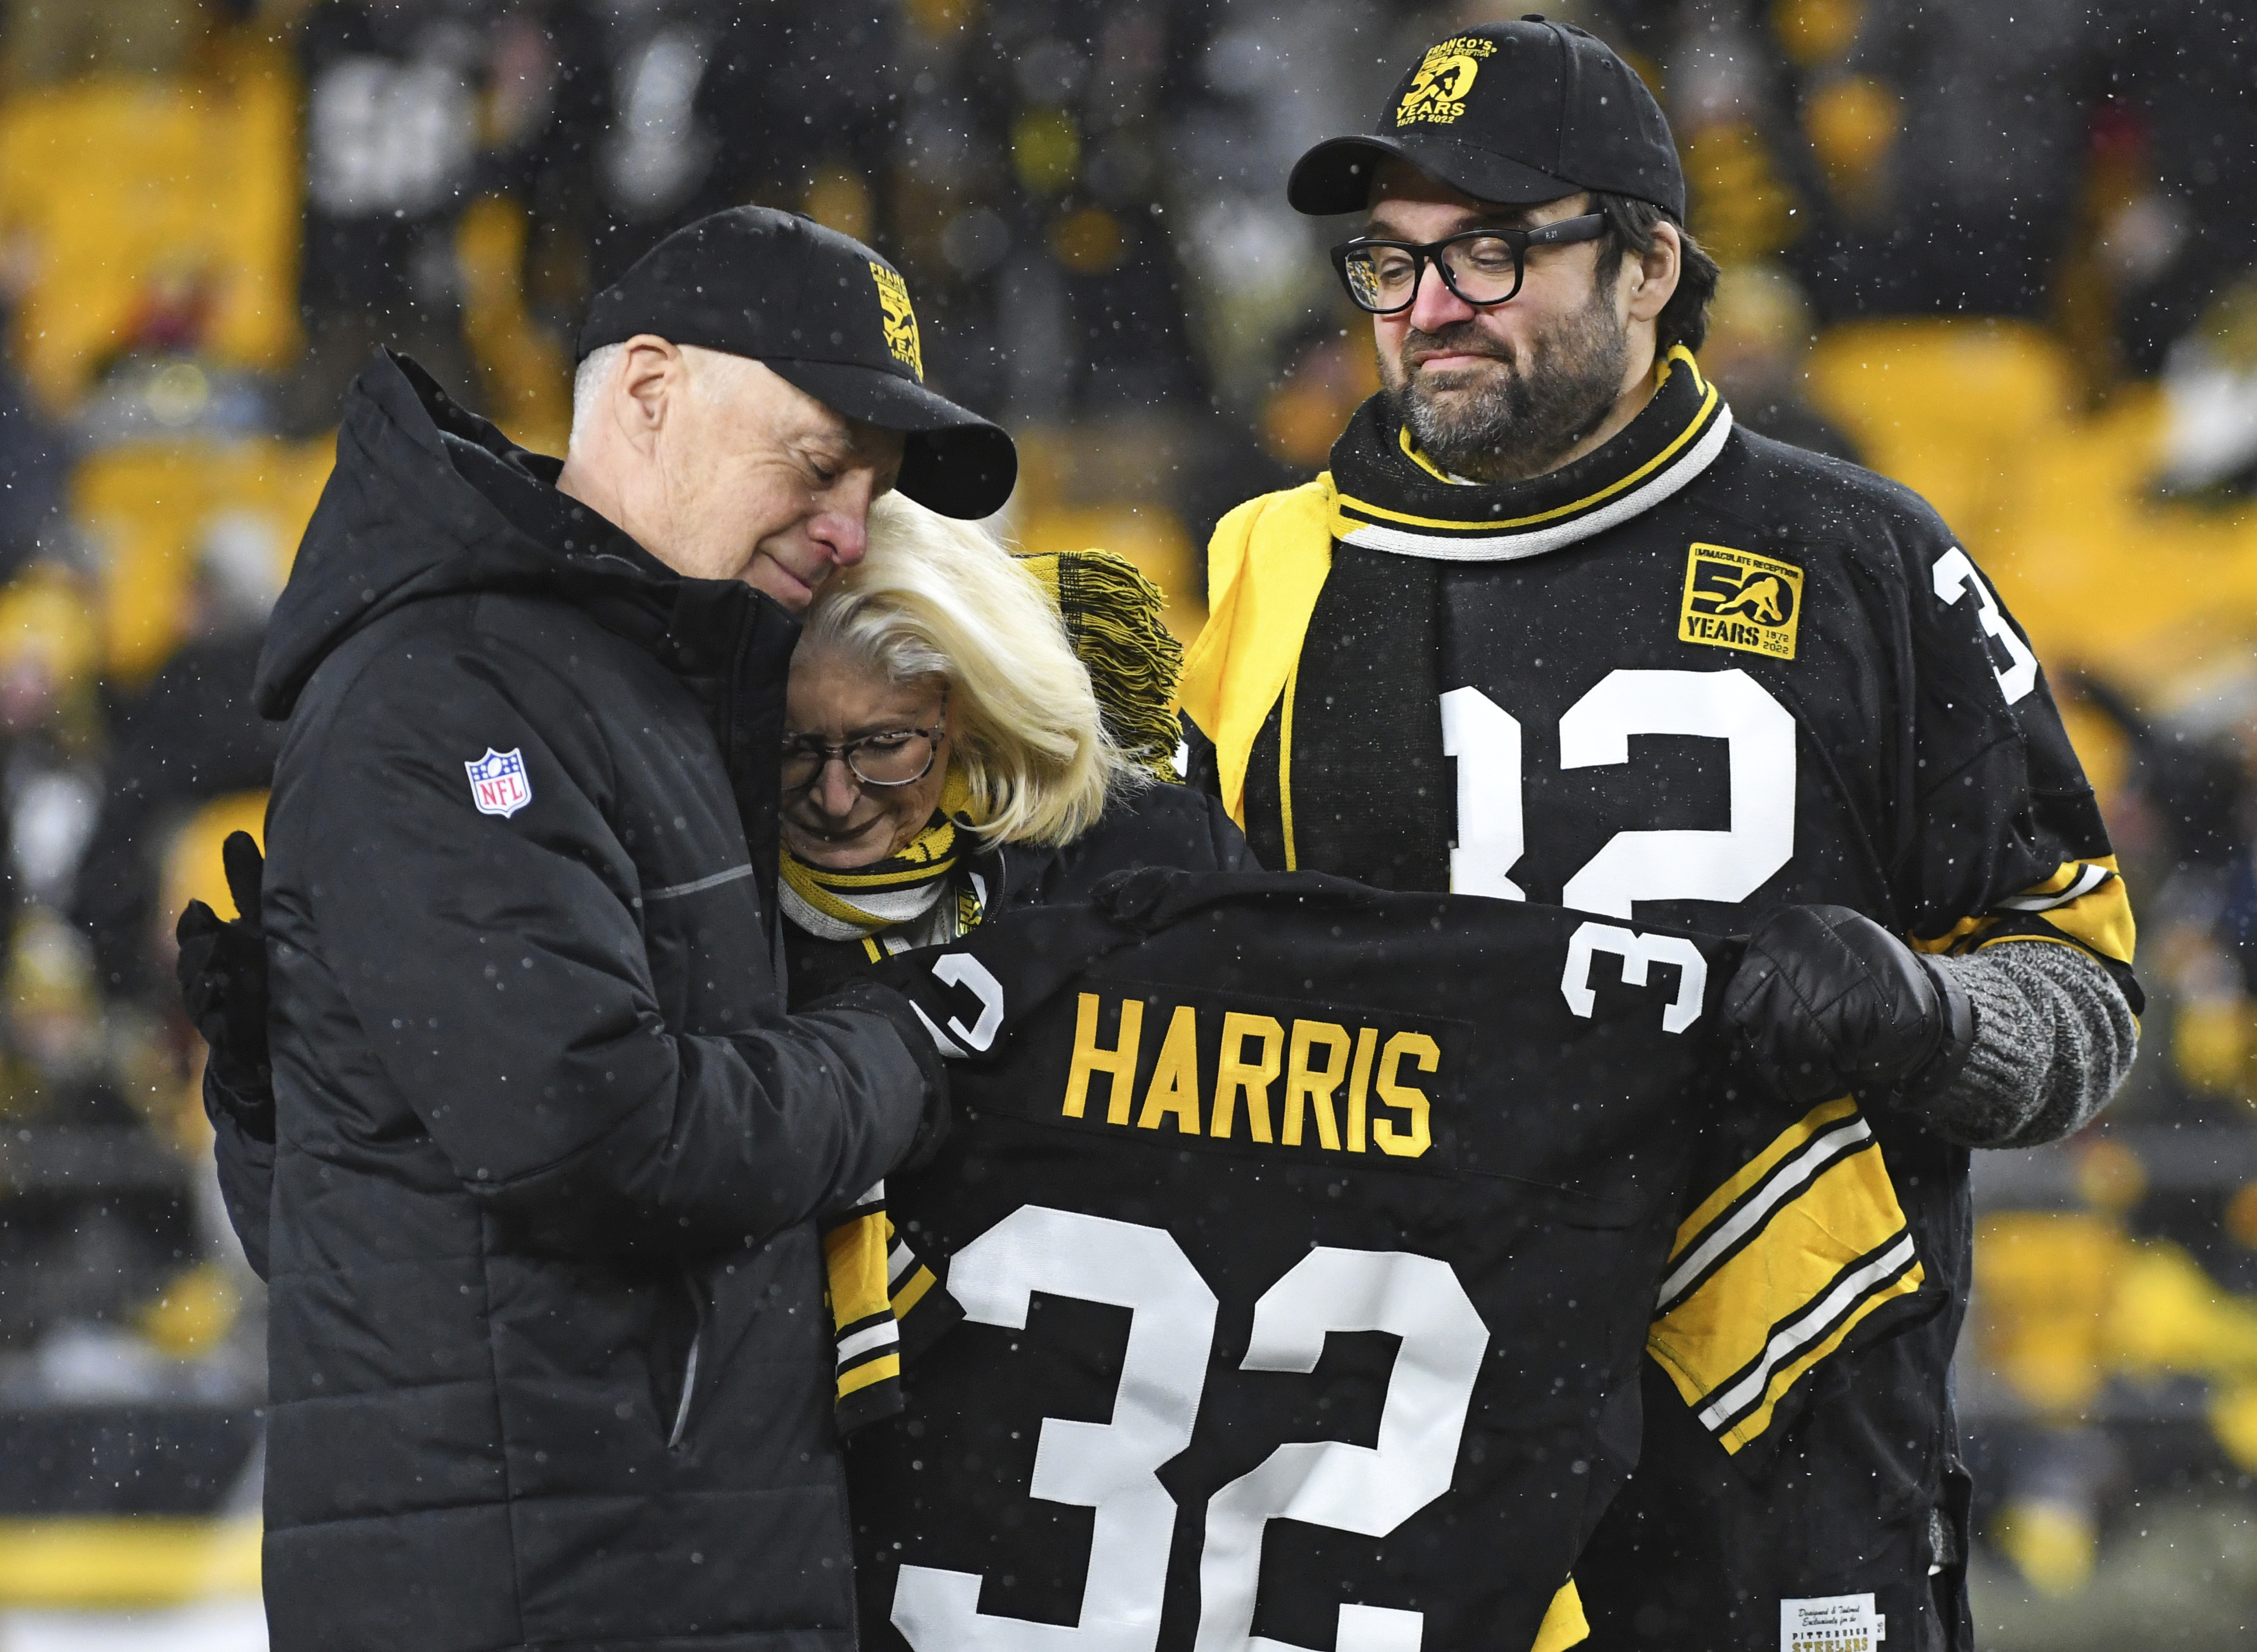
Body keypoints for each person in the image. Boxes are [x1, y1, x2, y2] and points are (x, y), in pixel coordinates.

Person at [1179, 18, 2140, 1650]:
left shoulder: (1858, 556)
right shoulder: (1273, 565)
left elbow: (2085, 1004)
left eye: (1487, 251)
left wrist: (1921, 1015)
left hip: (1782, 1448)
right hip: (1392, 1462)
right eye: (1389, 260)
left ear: (1644, 264)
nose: (1424, 307)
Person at [178, 207, 1016, 1651]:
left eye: (873, 495)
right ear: (646, 391)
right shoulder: (451, 694)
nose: (848, 529)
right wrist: (904, 1046)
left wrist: (293, 1118)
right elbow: (589, 1131)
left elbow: (385, 1238)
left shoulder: (646, 680)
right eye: (819, 466)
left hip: (647, 1562)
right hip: (556, 1592)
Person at [772, 490, 1247, 1010]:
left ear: (969, 715)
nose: (835, 798)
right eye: (793, 747)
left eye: (886, 743)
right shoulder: (696, 901)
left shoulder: (1164, 850)